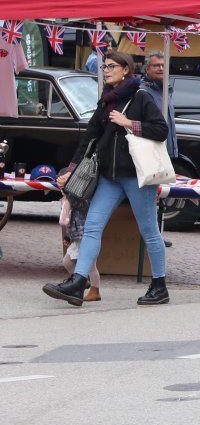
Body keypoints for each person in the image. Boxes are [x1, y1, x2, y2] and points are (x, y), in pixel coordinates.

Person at [43, 51, 171, 307]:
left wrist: (129, 123)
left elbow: (161, 130)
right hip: (109, 176)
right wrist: (70, 170)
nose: (107, 70)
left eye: (112, 66)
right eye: (105, 66)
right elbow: (89, 139)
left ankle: (159, 285)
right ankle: (78, 281)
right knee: (92, 226)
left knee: (148, 230)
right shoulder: (106, 101)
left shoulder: (141, 96)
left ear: (126, 70)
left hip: (136, 176)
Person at [139, 52, 179, 161]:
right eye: (156, 65)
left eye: (163, 65)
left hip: (168, 152)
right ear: (147, 69)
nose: (161, 68)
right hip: (152, 153)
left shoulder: (166, 90)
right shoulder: (142, 92)